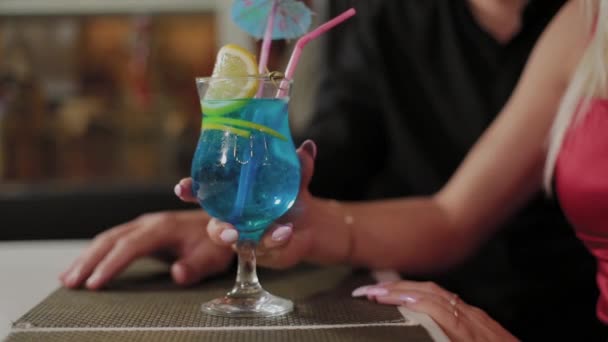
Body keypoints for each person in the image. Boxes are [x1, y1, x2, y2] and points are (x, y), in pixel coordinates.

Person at [59, 0, 606, 340]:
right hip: (417, 296)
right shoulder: (383, 13)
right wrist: (278, 215)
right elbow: (365, 158)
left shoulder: (583, 17)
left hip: (567, 308)